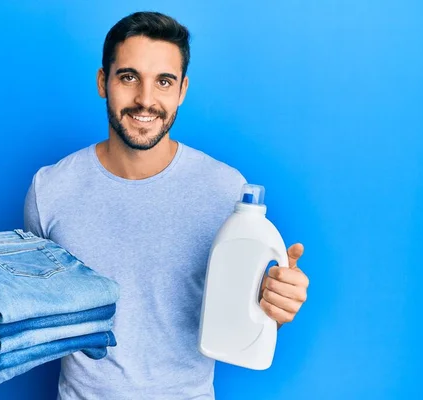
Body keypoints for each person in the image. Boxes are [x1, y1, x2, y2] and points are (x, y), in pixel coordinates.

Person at [24, 11, 309, 400]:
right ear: (102, 82)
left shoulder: (226, 190)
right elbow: (33, 316)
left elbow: (250, 317)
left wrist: (278, 302)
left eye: (163, 81)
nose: (145, 99)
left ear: (182, 90)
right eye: (128, 77)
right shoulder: (50, 189)